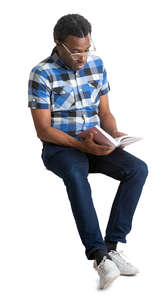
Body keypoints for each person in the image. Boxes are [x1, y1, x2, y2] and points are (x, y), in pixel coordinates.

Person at [28, 13, 148, 289]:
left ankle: (112, 246)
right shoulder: (41, 73)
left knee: (138, 169)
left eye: (86, 49)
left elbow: (104, 112)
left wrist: (113, 135)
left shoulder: (96, 64)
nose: (82, 57)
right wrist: (81, 146)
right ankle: (98, 255)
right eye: (75, 51)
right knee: (75, 173)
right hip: (61, 147)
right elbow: (43, 130)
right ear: (58, 44)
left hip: (95, 142)